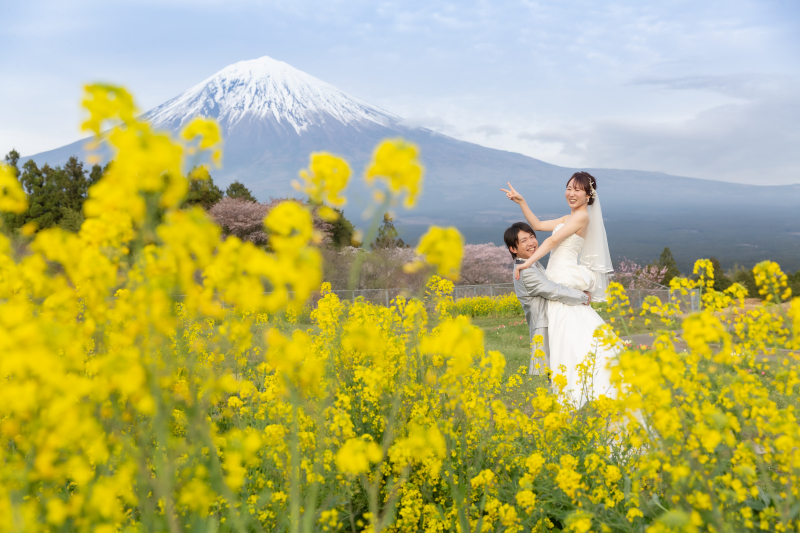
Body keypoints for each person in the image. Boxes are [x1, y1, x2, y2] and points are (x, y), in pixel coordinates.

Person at [501, 172, 617, 407]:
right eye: (568, 188)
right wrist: (522, 202)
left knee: (570, 327)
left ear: (588, 195)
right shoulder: (569, 216)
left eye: (578, 190)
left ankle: (578, 385)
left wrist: (528, 263)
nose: (571, 193)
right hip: (556, 275)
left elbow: (552, 241)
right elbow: (538, 226)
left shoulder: (581, 217)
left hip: (562, 276)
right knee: (567, 329)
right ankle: (570, 382)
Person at [503, 222, 591, 378]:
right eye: (524, 240)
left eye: (532, 237)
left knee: (563, 369)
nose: (531, 243)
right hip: (544, 326)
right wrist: (583, 296)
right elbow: (553, 290)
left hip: (552, 321)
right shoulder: (526, 272)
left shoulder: (529, 265)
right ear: (513, 249)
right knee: (556, 371)